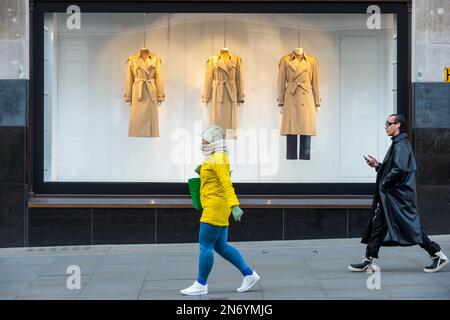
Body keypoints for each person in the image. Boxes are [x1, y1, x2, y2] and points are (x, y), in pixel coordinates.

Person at [349, 114, 448, 273]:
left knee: (412, 228)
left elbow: (399, 170)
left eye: (388, 123)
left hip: (398, 197)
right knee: (378, 226)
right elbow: (395, 168)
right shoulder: (398, 143)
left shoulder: (401, 145)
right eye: (386, 123)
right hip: (393, 196)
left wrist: (384, 183)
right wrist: (378, 165)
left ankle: (437, 255)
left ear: (398, 125)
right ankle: (369, 259)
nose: (385, 126)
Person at [180, 124, 260, 295]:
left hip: (215, 207)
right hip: (215, 204)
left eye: (205, 139)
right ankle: (249, 274)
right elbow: (216, 177)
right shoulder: (214, 156)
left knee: (205, 246)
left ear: (213, 140)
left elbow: (226, 183)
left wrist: (235, 205)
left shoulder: (218, 157)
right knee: (221, 246)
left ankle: (201, 284)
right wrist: (202, 170)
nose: (202, 142)